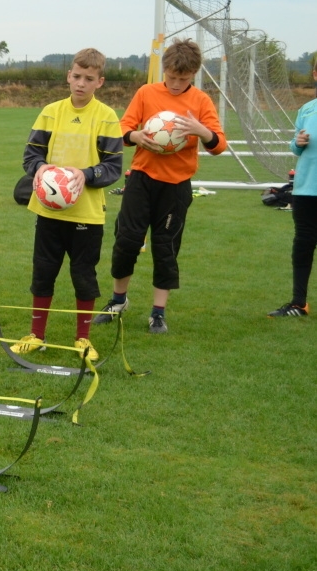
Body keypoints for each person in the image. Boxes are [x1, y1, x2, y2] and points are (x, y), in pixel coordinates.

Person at [93, 38, 227, 334]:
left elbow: (219, 146)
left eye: (183, 78)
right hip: (141, 179)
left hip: (176, 186)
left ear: (194, 74)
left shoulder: (201, 102)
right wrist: (136, 136)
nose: (176, 83)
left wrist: (201, 131)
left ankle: (158, 313)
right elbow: (121, 130)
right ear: (164, 69)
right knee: (127, 241)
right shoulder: (146, 93)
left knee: (165, 248)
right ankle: (117, 301)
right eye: (171, 77)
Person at [12, 49, 123, 362]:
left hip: (86, 214)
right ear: (68, 76)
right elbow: (30, 155)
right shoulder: (51, 111)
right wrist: (41, 169)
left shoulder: (106, 116)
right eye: (76, 76)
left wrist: (83, 174)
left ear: (99, 82)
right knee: (43, 271)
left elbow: (113, 167)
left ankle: (83, 339)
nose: (81, 84)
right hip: (47, 212)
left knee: (83, 275)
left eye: (89, 79)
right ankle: (36, 336)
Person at [268, 62, 317, 317]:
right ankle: (299, 303)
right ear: (315, 74)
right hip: (306, 189)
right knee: (303, 244)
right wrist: (296, 142)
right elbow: (296, 148)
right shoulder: (307, 110)